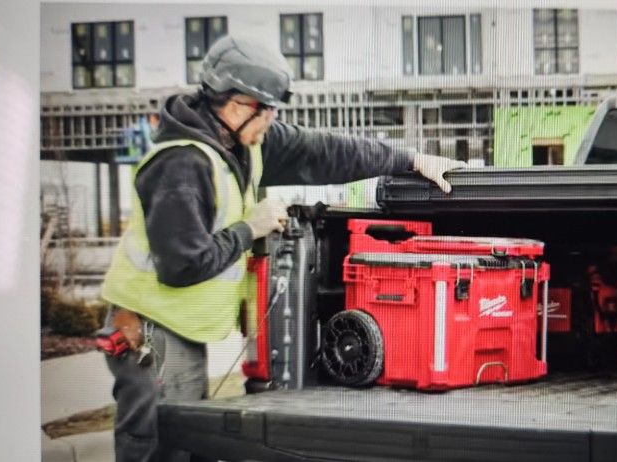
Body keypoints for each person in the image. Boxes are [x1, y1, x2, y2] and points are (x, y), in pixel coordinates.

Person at [98, 34, 465, 461]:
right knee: (159, 444)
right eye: (269, 110)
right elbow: (181, 266)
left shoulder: (242, 143)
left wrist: (411, 160)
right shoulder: (181, 164)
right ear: (238, 104)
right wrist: (247, 229)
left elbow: (326, 151)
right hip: (150, 332)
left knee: (185, 441)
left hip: (179, 331)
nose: (273, 121)